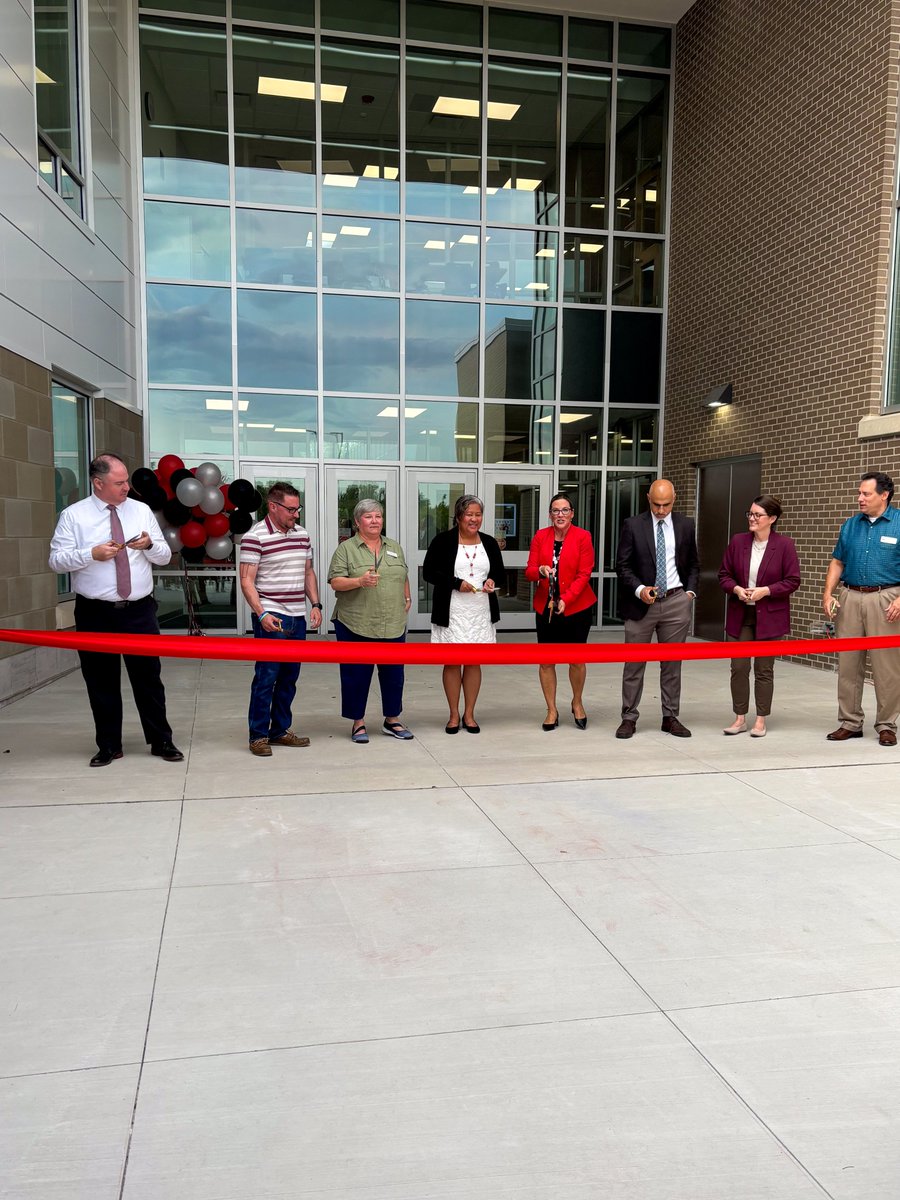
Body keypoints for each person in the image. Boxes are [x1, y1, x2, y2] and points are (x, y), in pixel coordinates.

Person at [48, 452, 183, 767]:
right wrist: (90, 554)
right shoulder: (74, 516)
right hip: (96, 612)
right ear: (98, 483)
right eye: (119, 482)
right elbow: (56, 561)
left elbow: (164, 555)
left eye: (126, 481)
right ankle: (109, 745)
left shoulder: (141, 510)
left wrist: (150, 545)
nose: (126, 488)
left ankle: (161, 740)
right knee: (101, 680)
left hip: (139, 610)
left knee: (149, 679)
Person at [239, 482, 322, 757]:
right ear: (272, 506)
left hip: (297, 617)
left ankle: (280, 730)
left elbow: (308, 571)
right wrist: (261, 613)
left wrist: (316, 604)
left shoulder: (302, 535)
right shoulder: (255, 536)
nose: (296, 514)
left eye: (298, 508)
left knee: (289, 678)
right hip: (271, 617)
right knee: (266, 677)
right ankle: (258, 735)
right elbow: (246, 580)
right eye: (291, 509)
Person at [615, 478, 699, 739]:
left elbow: (694, 563)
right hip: (642, 604)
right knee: (634, 663)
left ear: (674, 500)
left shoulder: (685, 525)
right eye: (656, 504)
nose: (661, 510)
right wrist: (640, 589)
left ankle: (670, 716)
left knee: (672, 664)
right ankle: (629, 717)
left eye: (666, 505)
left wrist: (689, 594)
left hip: (676, 601)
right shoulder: (633, 525)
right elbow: (622, 565)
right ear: (648, 499)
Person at [823, 471, 900, 747]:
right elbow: (837, 562)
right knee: (848, 664)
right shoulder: (850, 525)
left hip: (887, 599)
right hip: (851, 597)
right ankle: (850, 722)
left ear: (884, 495)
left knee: (887, 667)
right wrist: (828, 593)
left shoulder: (899, 523)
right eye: (859, 493)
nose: (860, 498)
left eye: (866, 493)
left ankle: (886, 724)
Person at [327, 499, 413, 744]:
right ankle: (358, 723)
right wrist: (359, 581)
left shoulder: (394, 546)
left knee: (394, 675)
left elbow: (402, 574)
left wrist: (407, 596)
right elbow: (335, 582)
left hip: (392, 622)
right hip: (356, 623)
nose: (375, 521)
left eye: (378, 516)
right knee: (356, 675)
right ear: (357, 522)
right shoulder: (346, 549)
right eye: (368, 517)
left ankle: (392, 720)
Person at [718, 495, 801, 737]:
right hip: (741, 614)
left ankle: (761, 720)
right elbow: (724, 575)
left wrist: (767, 591)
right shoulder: (738, 542)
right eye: (750, 514)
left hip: (770, 615)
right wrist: (736, 589)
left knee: (764, 669)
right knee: (739, 666)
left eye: (757, 515)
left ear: (772, 519)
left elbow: (793, 580)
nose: (752, 519)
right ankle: (740, 717)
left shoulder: (784, 545)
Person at [423, 494, 505, 734]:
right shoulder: (443, 541)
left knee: (473, 663)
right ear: (458, 516)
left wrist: (492, 581)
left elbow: (499, 572)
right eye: (469, 514)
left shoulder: (489, 542)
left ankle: (469, 714)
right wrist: (456, 583)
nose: (474, 519)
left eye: (478, 514)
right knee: (451, 662)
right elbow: (429, 572)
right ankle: (453, 715)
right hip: (452, 612)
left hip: (480, 612)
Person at [524, 492, 597, 730]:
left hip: (577, 607)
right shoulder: (540, 536)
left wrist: (566, 598)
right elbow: (529, 571)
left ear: (572, 513)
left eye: (565, 510)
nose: (560, 514)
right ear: (550, 514)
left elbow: (584, 573)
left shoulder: (583, 537)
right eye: (556, 510)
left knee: (576, 660)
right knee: (547, 661)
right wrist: (541, 571)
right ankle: (551, 709)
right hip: (545, 607)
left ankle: (577, 702)